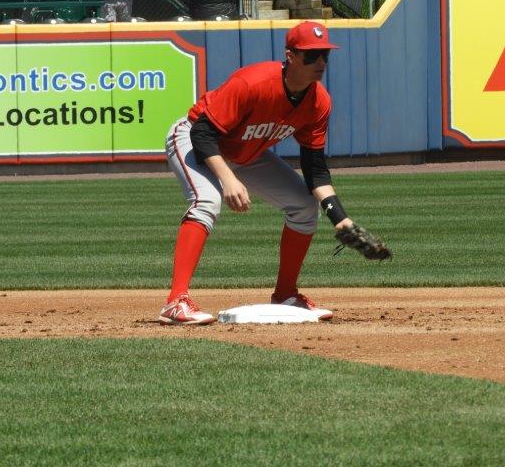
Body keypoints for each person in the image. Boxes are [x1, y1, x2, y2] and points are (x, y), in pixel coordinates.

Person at [160, 21, 381, 325]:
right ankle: (176, 301)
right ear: (290, 56)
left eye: (324, 56)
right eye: (311, 55)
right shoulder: (252, 83)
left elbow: (315, 170)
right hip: (193, 139)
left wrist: (340, 219)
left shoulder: (318, 103)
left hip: (245, 152)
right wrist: (228, 179)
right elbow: (203, 133)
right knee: (207, 201)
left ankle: (286, 294)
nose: (320, 63)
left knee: (304, 206)